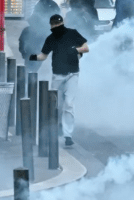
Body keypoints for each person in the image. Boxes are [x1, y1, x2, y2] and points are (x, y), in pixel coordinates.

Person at [29, 14, 89, 147]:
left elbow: (86, 48)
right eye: (53, 24)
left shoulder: (72, 33)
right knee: (55, 104)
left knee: (68, 103)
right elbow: (43, 56)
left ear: (62, 23)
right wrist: (32, 57)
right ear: (50, 25)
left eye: (58, 23)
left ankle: (68, 135)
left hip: (73, 74)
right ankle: (53, 129)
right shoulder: (50, 38)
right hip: (57, 75)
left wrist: (75, 50)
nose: (56, 26)